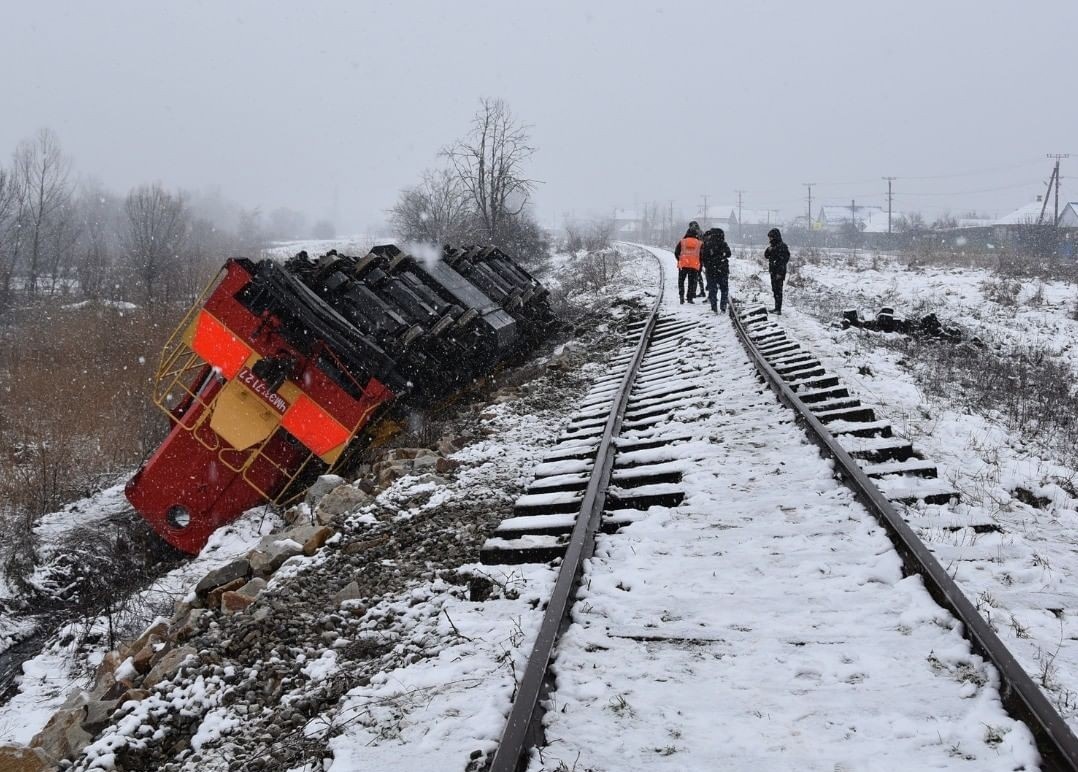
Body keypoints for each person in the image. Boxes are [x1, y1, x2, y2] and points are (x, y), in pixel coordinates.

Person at [700, 227, 731, 313]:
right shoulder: (724, 244)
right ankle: (723, 306)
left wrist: (708, 266)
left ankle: (714, 307)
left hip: (711, 270)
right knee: (724, 289)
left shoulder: (707, 244)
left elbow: (704, 257)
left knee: (712, 289)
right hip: (723, 270)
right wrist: (722, 256)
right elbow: (729, 254)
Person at [674, 221, 702, 304]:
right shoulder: (699, 243)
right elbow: (702, 255)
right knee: (691, 282)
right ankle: (689, 298)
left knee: (681, 281)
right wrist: (699, 263)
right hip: (694, 266)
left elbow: (676, 252)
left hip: (683, 265)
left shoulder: (682, 241)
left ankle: (681, 297)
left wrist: (680, 260)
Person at [764, 227, 790, 314]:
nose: (770, 239)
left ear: (775, 237)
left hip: (779, 272)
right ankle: (776, 308)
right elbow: (766, 256)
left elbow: (783, 261)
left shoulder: (782, 246)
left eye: (771, 237)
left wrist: (780, 272)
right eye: (769, 237)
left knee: (778, 290)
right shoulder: (772, 246)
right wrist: (768, 250)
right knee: (775, 290)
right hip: (773, 271)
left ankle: (778, 309)